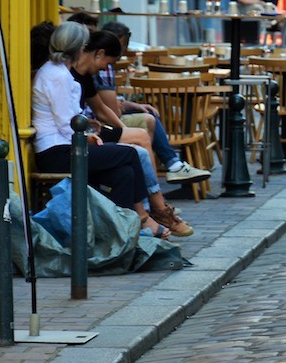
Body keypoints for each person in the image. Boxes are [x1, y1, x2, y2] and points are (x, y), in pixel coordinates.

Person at [30, 22, 191, 239]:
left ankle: (123, 230)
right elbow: (66, 123)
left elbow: (69, 119)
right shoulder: (57, 75)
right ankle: (144, 218)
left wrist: (88, 128)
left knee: (123, 172)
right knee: (130, 153)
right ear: (78, 47)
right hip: (57, 153)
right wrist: (88, 137)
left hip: (66, 147)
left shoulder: (59, 72)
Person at [97, 20, 211, 187]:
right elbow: (112, 111)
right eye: (123, 45)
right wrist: (119, 107)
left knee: (148, 114)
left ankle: (163, 176)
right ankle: (160, 180)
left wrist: (130, 105)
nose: (124, 51)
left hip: (101, 121)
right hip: (101, 125)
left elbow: (108, 103)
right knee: (148, 120)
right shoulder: (104, 66)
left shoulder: (103, 64)